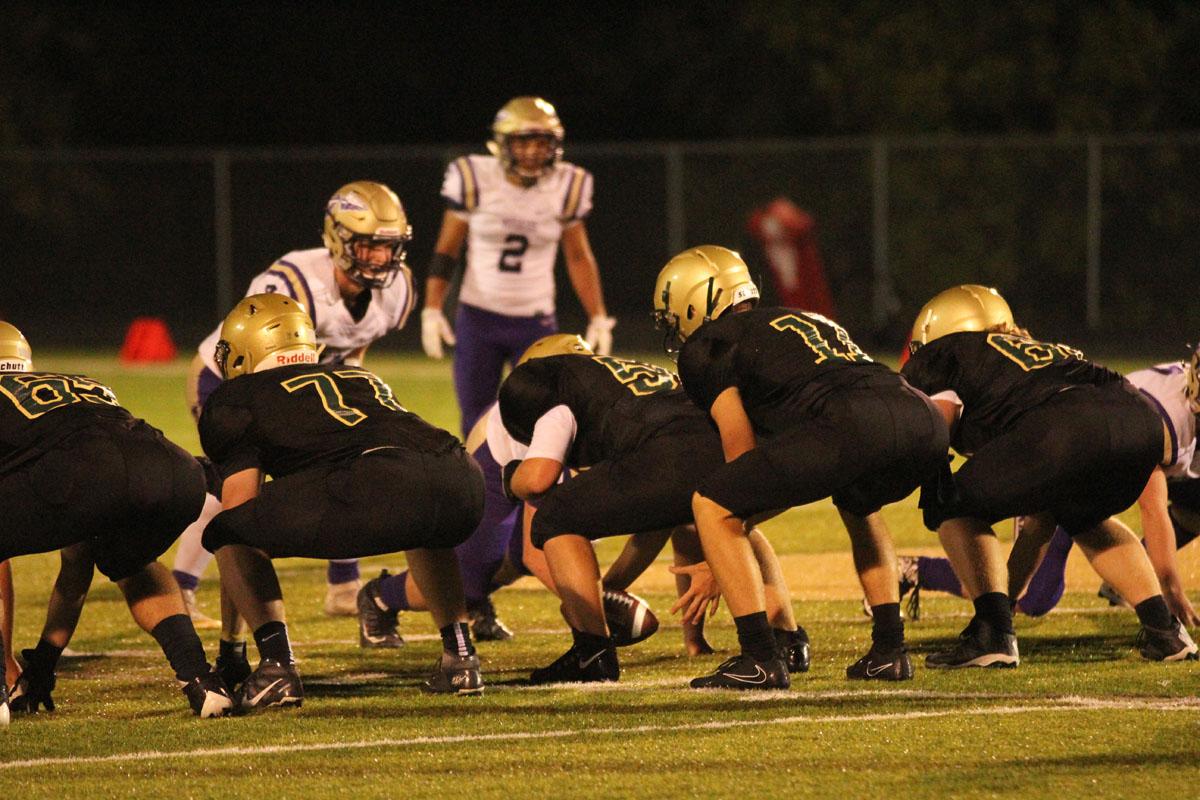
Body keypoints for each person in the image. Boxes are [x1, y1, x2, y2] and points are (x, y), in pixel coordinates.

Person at [653, 245, 949, 689]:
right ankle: (890, 649)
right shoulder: (805, 318)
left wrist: (723, 551)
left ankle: (759, 656)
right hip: (920, 416)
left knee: (713, 504)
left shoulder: (709, 345)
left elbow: (741, 451)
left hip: (852, 420)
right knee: (858, 501)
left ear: (696, 303)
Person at [198, 294, 485, 711]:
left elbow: (240, 510)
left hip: (377, 480)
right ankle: (461, 659)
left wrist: (230, 651)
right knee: (427, 522)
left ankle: (277, 667)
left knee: (228, 529)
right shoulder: (357, 376)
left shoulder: (238, 397)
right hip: (460, 474)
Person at [901, 284, 1197, 666]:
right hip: (1139, 420)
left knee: (952, 507)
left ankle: (992, 635)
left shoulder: (950, 352)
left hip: (1067, 424)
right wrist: (1004, 603)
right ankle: (1165, 633)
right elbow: (1039, 524)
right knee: (1082, 515)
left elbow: (935, 429)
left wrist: (928, 482)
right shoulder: (1032, 353)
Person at [497, 325, 811, 685]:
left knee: (555, 517)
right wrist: (612, 586)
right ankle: (785, 636)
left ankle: (591, 653)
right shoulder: (630, 375)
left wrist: (511, 479)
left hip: (669, 449)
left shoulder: (559, 389)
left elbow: (538, 479)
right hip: (715, 436)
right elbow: (655, 516)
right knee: (721, 518)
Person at [176, 180, 418, 628]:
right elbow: (254, 364)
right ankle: (182, 589)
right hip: (233, 381)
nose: (381, 259)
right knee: (233, 483)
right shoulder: (292, 282)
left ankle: (344, 587)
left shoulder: (398, 289)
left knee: (343, 467)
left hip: (306, 387)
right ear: (338, 238)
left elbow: (354, 348)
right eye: (368, 247)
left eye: (388, 247)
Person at [0, 321, 232, 721]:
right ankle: (201, 681)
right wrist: (45, 663)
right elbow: (77, 564)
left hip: (89, 470)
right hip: (175, 470)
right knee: (131, 563)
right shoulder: (71, 384)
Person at [420, 96, 614, 436]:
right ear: (503, 142)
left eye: (542, 141)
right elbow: (447, 249)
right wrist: (432, 308)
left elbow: (579, 256)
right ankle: (484, 487)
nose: (533, 150)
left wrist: (598, 315)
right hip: (479, 317)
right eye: (524, 140)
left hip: (535, 320)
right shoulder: (475, 177)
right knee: (475, 419)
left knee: (543, 417)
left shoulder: (566, 184)